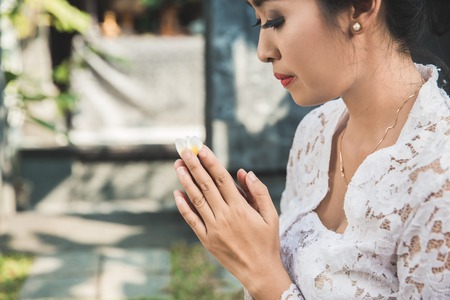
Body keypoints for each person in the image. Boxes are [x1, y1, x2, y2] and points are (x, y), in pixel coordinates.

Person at [173, 0, 450, 298]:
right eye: (258, 22)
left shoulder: (439, 175)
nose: (263, 51)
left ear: (359, 9)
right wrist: (254, 241)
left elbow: (271, 281)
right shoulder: (315, 132)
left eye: (275, 21)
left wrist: (260, 271)